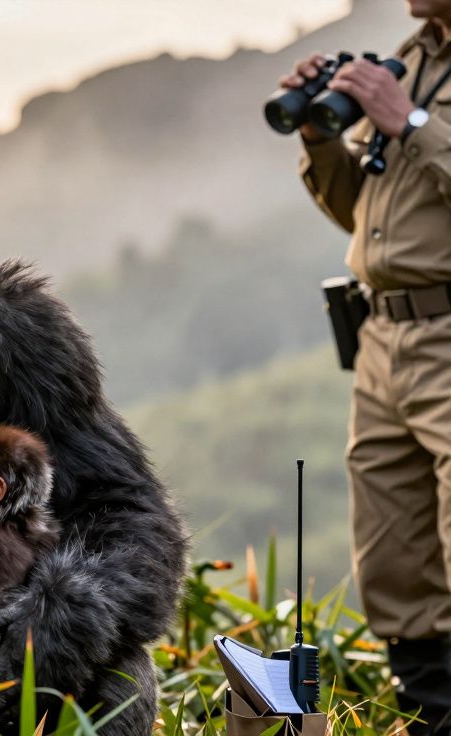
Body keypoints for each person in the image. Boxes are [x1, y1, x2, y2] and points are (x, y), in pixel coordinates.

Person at [285, 1, 451, 731]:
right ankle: (429, 717)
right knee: (393, 557)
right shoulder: (415, 55)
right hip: (384, 334)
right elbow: (362, 213)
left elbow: (416, 141)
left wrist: (409, 122)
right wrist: (323, 140)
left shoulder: (409, 84)